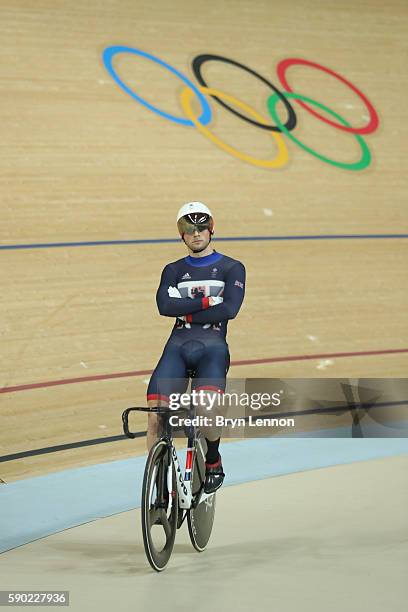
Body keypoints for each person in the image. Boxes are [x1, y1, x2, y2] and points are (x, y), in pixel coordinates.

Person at [147, 201, 246, 493]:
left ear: (212, 229)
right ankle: (157, 482)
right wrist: (205, 302)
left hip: (212, 349)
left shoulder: (232, 267)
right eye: (189, 228)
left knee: (208, 410)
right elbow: (164, 306)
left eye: (202, 226)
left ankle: (213, 458)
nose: (197, 233)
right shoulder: (173, 269)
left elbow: (229, 309)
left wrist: (184, 310)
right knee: (155, 413)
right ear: (182, 235)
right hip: (177, 348)